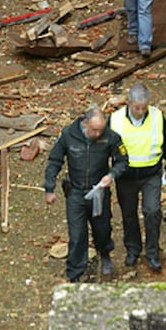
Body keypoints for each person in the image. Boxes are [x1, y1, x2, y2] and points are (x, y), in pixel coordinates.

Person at [44, 106, 128, 283]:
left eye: (101, 129)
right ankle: (74, 272)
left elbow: (122, 161)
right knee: (77, 234)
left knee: (102, 229)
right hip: (75, 192)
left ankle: (104, 254)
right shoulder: (68, 135)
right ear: (84, 123)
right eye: (94, 129)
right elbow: (54, 160)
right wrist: (49, 188)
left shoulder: (110, 137)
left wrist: (111, 175)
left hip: (99, 192)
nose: (98, 134)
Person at [109, 84, 166, 271]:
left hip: (151, 174)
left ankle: (152, 252)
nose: (140, 111)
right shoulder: (115, 120)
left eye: (143, 107)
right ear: (128, 102)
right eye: (136, 107)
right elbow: (105, 146)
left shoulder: (157, 117)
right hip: (125, 176)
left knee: (152, 211)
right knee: (128, 214)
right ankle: (133, 249)